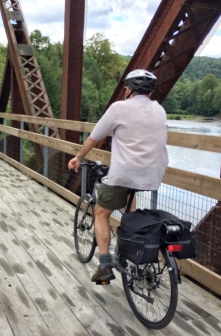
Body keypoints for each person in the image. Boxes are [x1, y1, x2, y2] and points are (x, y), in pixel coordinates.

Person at [68, 69, 169, 283]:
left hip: (125, 173)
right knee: (129, 212)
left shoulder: (118, 108)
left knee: (101, 214)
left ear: (129, 89)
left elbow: (94, 138)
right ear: (150, 93)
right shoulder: (160, 110)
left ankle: (105, 265)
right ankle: (135, 255)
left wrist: (78, 157)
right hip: (153, 174)